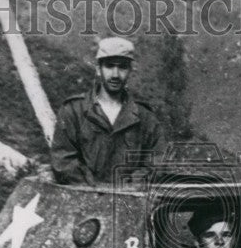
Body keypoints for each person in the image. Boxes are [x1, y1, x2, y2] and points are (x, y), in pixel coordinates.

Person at [50, 37, 166, 185]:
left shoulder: (145, 117)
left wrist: (130, 185)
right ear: (99, 69)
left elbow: (157, 162)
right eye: (109, 66)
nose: (115, 74)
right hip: (84, 200)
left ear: (130, 70)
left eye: (122, 67)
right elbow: (63, 161)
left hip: (129, 201)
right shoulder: (73, 111)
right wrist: (95, 189)